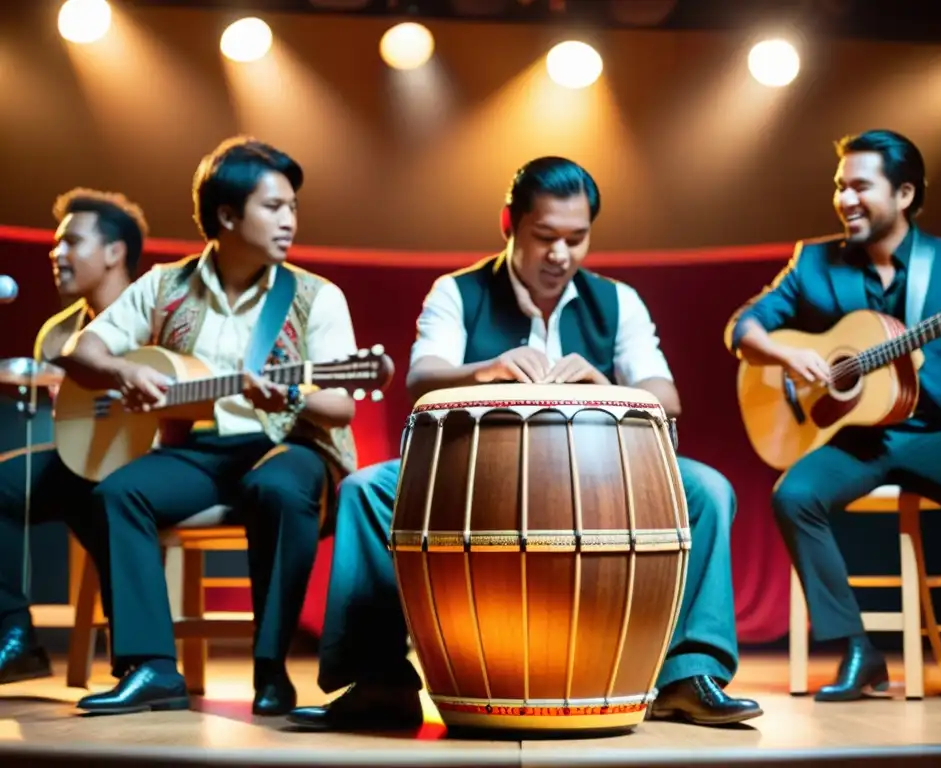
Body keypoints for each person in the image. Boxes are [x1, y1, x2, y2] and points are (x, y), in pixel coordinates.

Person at [288, 156, 763, 732]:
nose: (561, 255)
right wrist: (487, 367)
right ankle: (380, 682)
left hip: (600, 481)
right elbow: (420, 379)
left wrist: (604, 384)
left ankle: (687, 677)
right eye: (544, 237)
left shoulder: (618, 301)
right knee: (366, 491)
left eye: (577, 238)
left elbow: (667, 397)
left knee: (709, 489)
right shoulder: (458, 292)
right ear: (509, 224)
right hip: (473, 475)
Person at [58, 137, 360, 716]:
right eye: (274, 207)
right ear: (226, 215)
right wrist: (122, 370)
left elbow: (342, 405)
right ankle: (151, 668)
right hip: (199, 450)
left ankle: (271, 670)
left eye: (293, 206)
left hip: (288, 446)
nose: (289, 219)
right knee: (119, 492)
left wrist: (290, 393)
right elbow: (80, 350)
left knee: (277, 487)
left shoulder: (317, 296)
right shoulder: (163, 286)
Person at [726, 129, 941, 704]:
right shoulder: (813, 262)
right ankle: (857, 651)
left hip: (938, 432)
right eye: (840, 186)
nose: (845, 199)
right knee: (793, 496)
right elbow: (744, 329)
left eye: (861, 186)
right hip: (854, 439)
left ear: (904, 194)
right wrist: (787, 354)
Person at [0, 188, 147, 686]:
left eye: (71, 242)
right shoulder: (57, 335)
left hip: (145, 466)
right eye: (55, 244)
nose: (55, 254)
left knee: (111, 497)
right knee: (6, 483)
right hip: (79, 462)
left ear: (114, 252)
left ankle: (138, 659)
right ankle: (16, 635)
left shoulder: (158, 318)